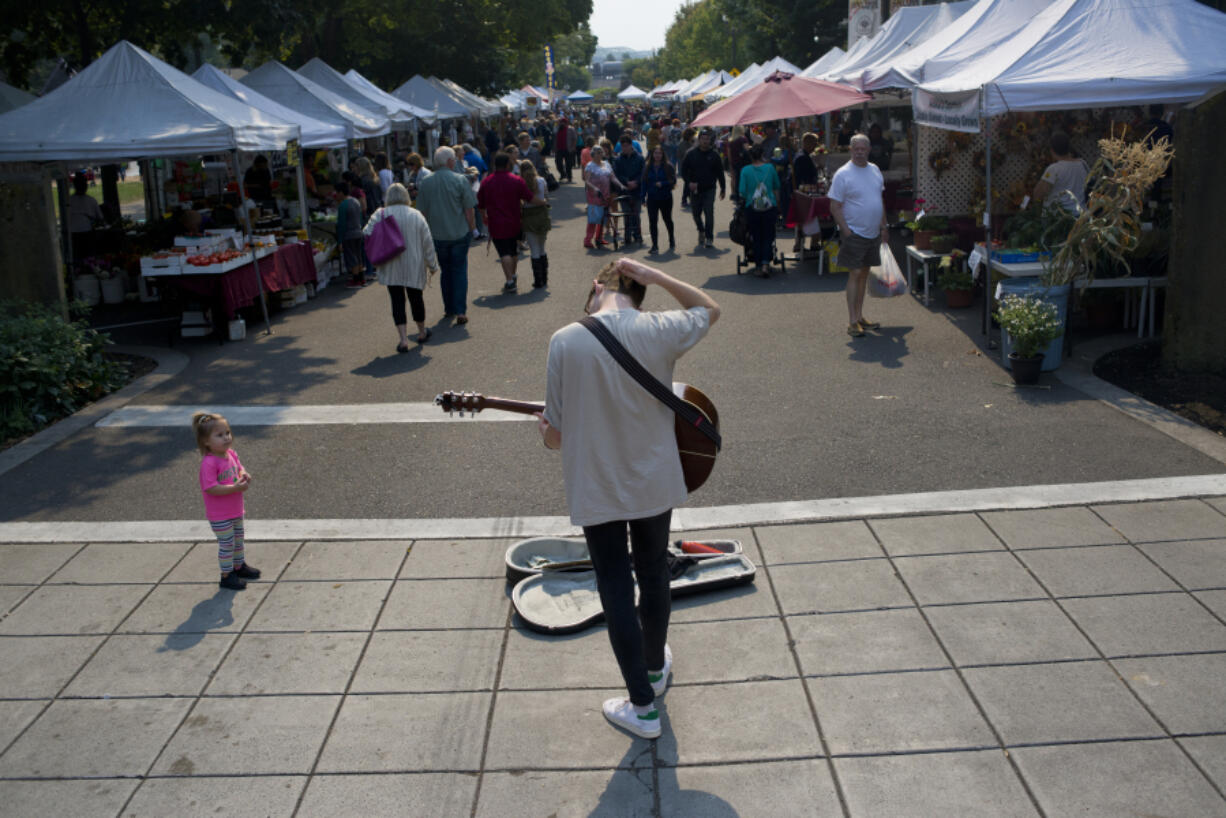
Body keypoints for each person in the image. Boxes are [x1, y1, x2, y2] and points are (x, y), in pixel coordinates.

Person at [536, 257, 720, 740]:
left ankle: (641, 706)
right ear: (639, 292)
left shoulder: (565, 340)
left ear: (597, 287)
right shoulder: (659, 328)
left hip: (598, 484)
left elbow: (556, 436)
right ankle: (655, 671)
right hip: (654, 478)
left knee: (615, 584)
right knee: (654, 571)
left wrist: (547, 432)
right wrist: (657, 275)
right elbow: (709, 308)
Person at [363, 183, 440, 351]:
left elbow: (367, 233)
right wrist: (432, 264)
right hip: (414, 263)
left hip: (390, 263)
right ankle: (421, 332)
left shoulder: (380, 214)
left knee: (396, 300)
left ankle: (403, 339)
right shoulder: (416, 214)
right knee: (416, 298)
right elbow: (427, 242)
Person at [829, 133, 888, 337]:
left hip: (872, 233)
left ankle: (860, 316)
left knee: (863, 274)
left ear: (869, 150)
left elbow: (879, 199)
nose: (860, 152)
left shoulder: (874, 170)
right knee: (855, 274)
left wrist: (884, 226)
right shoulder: (843, 174)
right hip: (855, 232)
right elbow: (834, 206)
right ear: (851, 150)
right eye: (857, 149)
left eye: (863, 149)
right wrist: (846, 230)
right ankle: (852, 321)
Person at [193, 412, 259, 592]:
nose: (226, 438)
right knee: (227, 544)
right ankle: (226, 575)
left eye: (227, 433)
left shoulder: (230, 454)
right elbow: (211, 488)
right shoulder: (209, 463)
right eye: (219, 435)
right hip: (219, 514)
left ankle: (239, 566)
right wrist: (235, 488)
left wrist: (243, 475)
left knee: (238, 540)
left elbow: (239, 468)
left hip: (236, 510)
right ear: (206, 441)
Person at [416, 146, 479, 325]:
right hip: (459, 232)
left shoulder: (426, 182)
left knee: (446, 271)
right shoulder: (460, 180)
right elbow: (469, 210)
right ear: (450, 161)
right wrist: (472, 228)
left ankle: (449, 308)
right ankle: (460, 310)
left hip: (437, 235)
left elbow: (422, 213)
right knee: (459, 270)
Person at [477, 152, 539, 291]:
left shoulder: (487, 182)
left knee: (504, 253)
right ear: (507, 165)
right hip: (515, 221)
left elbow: (480, 204)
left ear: (495, 165)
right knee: (513, 252)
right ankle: (513, 275)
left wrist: (483, 217)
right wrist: (542, 202)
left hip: (496, 223)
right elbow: (529, 197)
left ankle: (510, 281)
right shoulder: (516, 180)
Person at [739, 145, 781, 277]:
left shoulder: (745, 170)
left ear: (750, 156)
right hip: (770, 207)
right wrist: (777, 205)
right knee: (768, 235)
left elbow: (742, 192)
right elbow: (776, 187)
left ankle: (757, 265)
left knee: (756, 236)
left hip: (752, 207)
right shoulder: (770, 168)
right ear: (763, 154)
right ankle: (765, 263)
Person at [680, 129, 726, 249]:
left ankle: (709, 237)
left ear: (710, 140)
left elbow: (720, 173)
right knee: (696, 214)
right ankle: (701, 230)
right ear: (699, 140)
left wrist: (723, 188)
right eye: (703, 139)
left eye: (707, 139)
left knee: (709, 212)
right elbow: (683, 171)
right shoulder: (691, 154)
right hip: (695, 189)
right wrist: (689, 183)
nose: (705, 141)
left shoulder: (714, 155)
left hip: (710, 188)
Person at [1033, 131, 1090, 213]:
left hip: (1059, 219)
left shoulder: (1054, 169)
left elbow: (1038, 194)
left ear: (1052, 150)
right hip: (1080, 217)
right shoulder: (1083, 164)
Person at [518, 160, 552, 288]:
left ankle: (538, 280)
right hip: (542, 215)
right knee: (542, 247)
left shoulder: (520, 183)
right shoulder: (541, 181)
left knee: (534, 249)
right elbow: (547, 197)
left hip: (528, 215)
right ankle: (545, 278)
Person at [583, 145, 623, 249]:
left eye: (601, 152)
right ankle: (587, 240)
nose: (601, 154)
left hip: (605, 194)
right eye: (598, 152)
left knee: (603, 217)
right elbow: (586, 181)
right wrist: (594, 188)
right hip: (594, 195)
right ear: (593, 154)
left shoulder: (606, 164)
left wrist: (621, 185)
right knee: (593, 218)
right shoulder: (590, 165)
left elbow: (613, 177)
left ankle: (599, 238)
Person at [642, 144, 676, 255]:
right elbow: (644, 183)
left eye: (659, 153)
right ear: (652, 154)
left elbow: (673, 181)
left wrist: (663, 183)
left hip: (665, 197)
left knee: (667, 219)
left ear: (663, 154)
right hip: (652, 198)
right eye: (655, 153)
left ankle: (671, 238)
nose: (657, 155)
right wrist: (643, 197)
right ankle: (655, 245)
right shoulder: (647, 166)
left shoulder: (668, 166)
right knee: (652, 221)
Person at [612, 135, 645, 244]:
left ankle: (637, 235)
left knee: (636, 213)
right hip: (624, 190)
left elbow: (643, 173)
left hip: (637, 190)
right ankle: (627, 237)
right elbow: (616, 174)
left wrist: (636, 182)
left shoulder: (640, 158)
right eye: (622, 146)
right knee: (626, 214)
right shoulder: (618, 160)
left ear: (631, 145)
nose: (624, 148)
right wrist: (626, 182)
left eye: (626, 146)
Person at [334, 181, 367, 289]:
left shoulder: (343, 205)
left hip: (349, 235)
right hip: (358, 232)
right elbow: (361, 217)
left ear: (341, 193)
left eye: (337, 192)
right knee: (358, 257)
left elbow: (341, 225)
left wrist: (339, 241)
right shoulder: (355, 201)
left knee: (352, 258)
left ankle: (356, 280)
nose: (336, 195)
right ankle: (362, 278)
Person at [67, 173, 103, 260]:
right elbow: (100, 218)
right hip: (85, 234)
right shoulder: (90, 200)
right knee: (88, 258)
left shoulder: (69, 200)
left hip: (74, 234)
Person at [725, 125, 749, 202]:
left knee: (735, 179)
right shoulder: (743, 139)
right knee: (743, 179)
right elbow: (747, 150)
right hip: (743, 163)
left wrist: (731, 164)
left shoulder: (730, 140)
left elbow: (729, 154)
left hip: (734, 163)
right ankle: (742, 196)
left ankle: (736, 194)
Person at [554, 117, 575, 182]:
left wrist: (573, 147)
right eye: (561, 122)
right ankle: (563, 174)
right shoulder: (557, 129)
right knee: (558, 163)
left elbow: (574, 138)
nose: (562, 123)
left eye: (563, 122)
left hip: (568, 149)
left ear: (566, 123)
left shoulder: (571, 129)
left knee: (568, 164)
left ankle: (569, 177)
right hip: (559, 149)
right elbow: (554, 138)